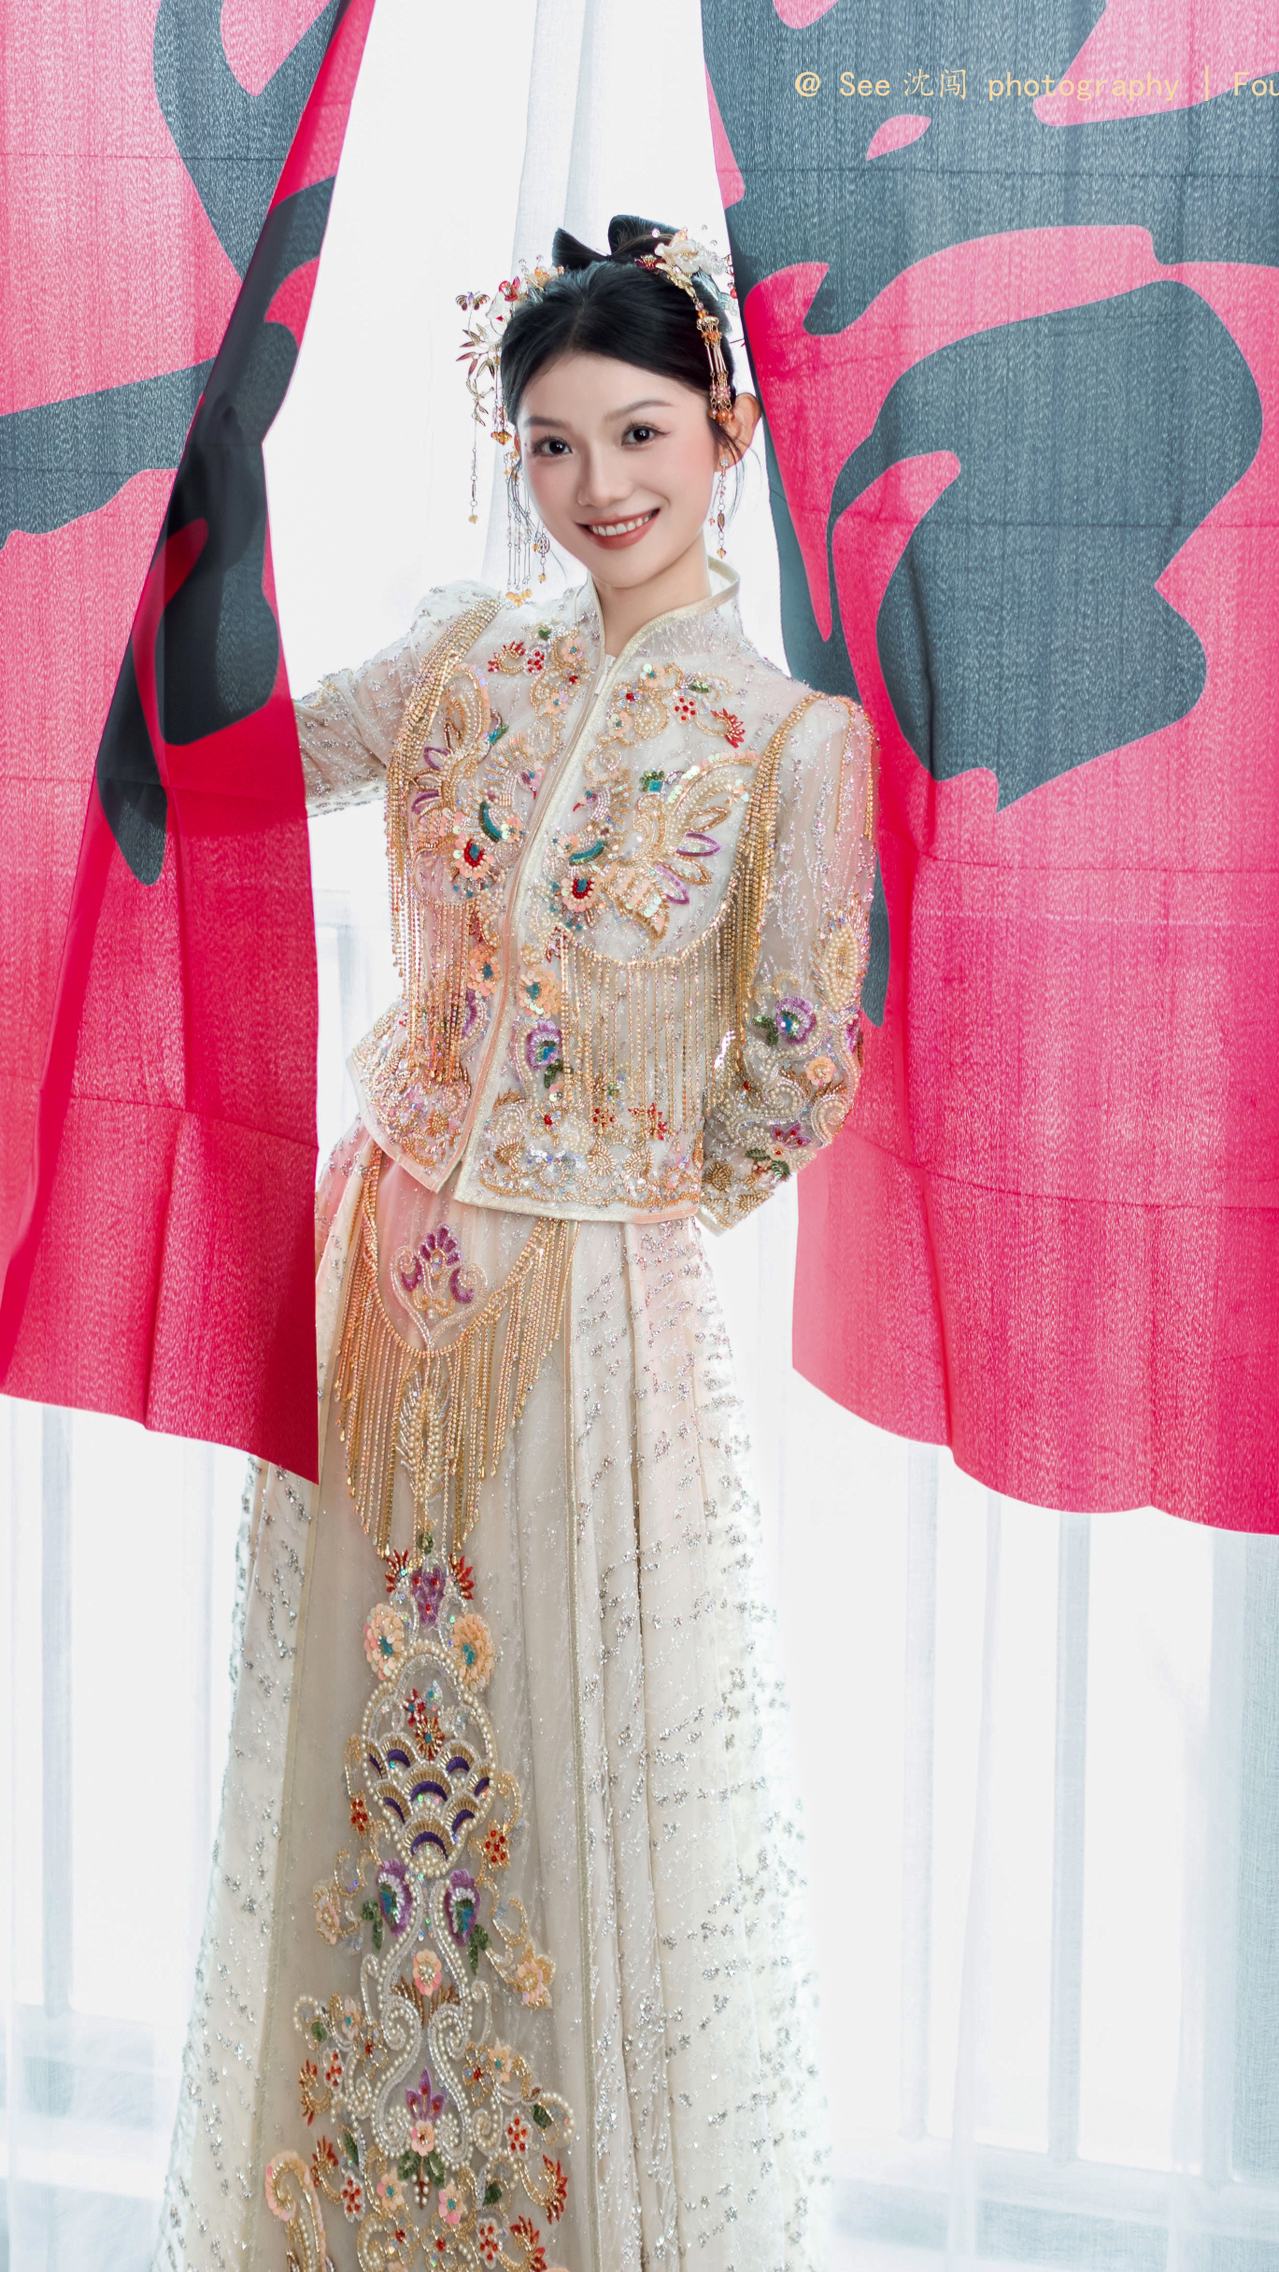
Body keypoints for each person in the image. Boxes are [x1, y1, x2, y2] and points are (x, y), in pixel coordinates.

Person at [153, 214, 876, 2272]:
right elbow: (255, 761)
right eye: (551, 444)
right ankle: (353, 2208)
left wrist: (617, 1193)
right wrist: (187, 529)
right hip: (374, 1277)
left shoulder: (791, 742)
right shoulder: (471, 653)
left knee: (567, 1754)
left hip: (592, 1313)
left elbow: (798, 1064)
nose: (597, 485)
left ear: (726, 431)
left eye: (637, 432)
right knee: (365, 1735)